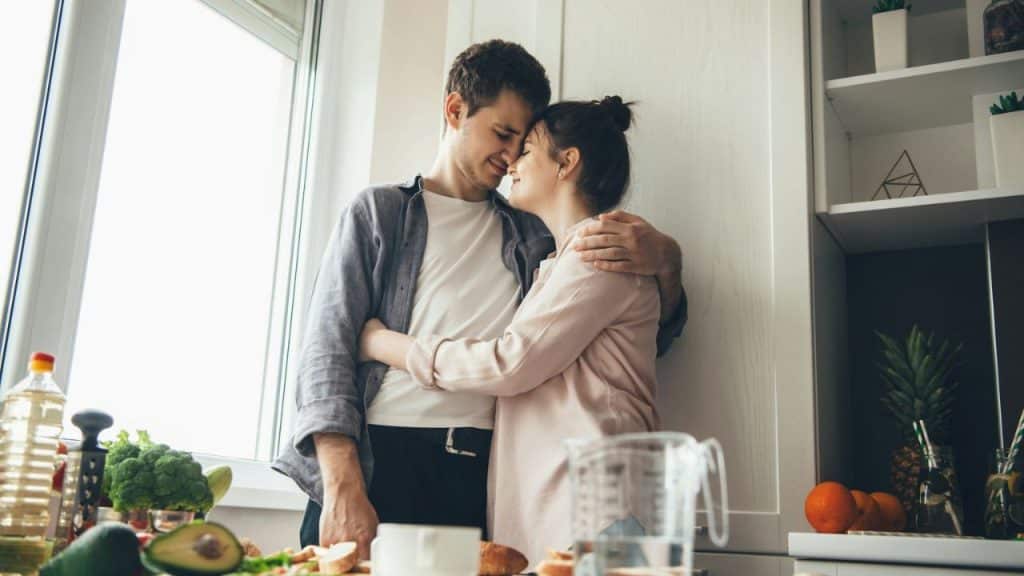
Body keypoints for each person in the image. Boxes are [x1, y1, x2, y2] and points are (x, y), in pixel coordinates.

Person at [271, 40, 687, 558]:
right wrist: (340, 483)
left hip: (479, 476)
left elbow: (648, 335)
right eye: (504, 133)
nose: (512, 156)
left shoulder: (539, 234)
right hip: (379, 460)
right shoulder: (379, 213)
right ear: (455, 110)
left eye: (524, 143)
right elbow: (326, 350)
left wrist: (667, 260)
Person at [358, 96, 659, 563]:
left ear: (567, 163)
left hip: (596, 518)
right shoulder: (555, 265)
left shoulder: (599, 255)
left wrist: (384, 343)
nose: (511, 165)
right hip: (562, 518)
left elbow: (509, 363)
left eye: (527, 151)